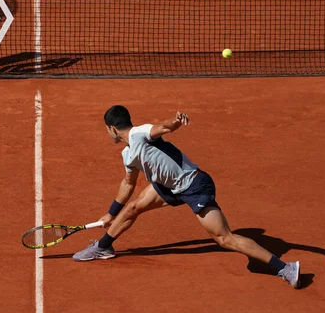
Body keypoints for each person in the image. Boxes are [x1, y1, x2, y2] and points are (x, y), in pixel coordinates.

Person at [73, 105, 301, 288]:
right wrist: (111, 213)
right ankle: (103, 247)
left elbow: (163, 127)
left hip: (194, 186)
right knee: (134, 207)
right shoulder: (127, 154)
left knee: (224, 239)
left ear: (112, 129)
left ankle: (285, 267)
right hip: (168, 186)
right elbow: (128, 183)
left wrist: (176, 121)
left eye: (106, 130)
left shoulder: (139, 133)